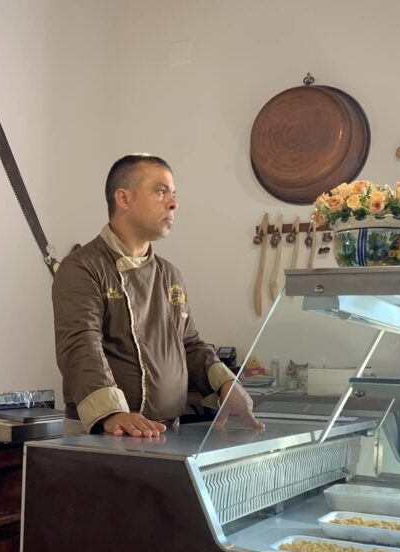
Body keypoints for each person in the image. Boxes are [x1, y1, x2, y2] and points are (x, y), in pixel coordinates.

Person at [52, 154, 264, 437]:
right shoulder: (82, 267)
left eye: (173, 194)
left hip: (164, 433)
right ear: (124, 199)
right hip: (103, 433)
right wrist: (112, 413)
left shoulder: (170, 275)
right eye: (161, 191)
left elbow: (189, 345)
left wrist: (227, 384)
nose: (173, 204)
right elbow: (81, 344)